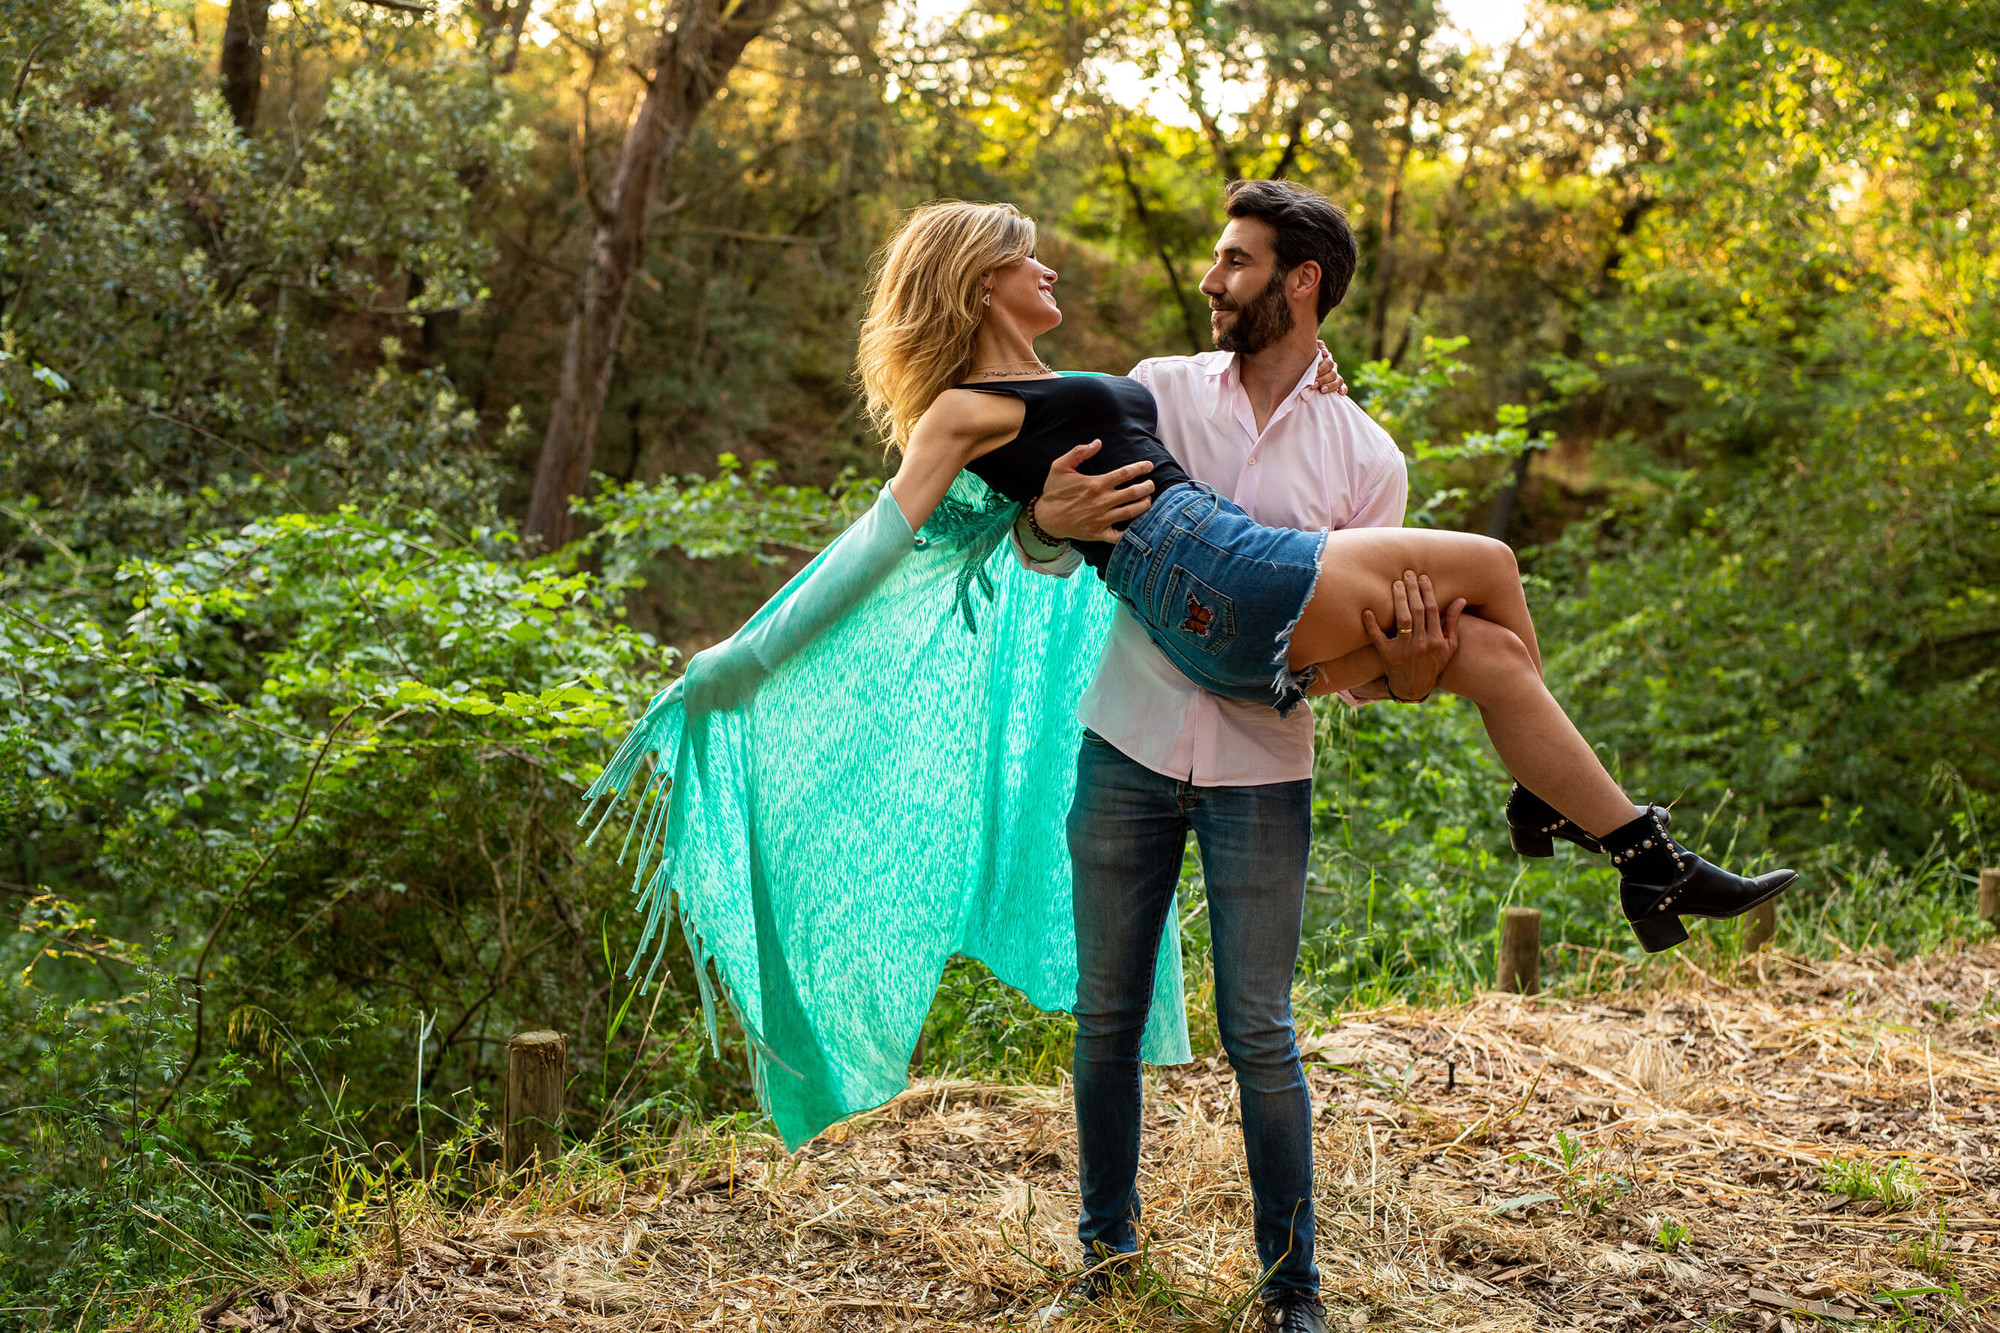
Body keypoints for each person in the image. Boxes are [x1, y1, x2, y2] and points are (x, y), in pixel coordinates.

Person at [1005, 178, 1454, 1331]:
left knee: (1261, 1031)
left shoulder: (1368, 460)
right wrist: (1045, 523)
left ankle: (1290, 1290)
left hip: (1265, 769)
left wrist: (1398, 664)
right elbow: (1057, 542)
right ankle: (1105, 1256)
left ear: (1298, 284)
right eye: (1213, 260)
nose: (1210, 281)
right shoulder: (1153, 393)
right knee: (1105, 1014)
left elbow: (1362, 668)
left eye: (1235, 263)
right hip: (1126, 742)